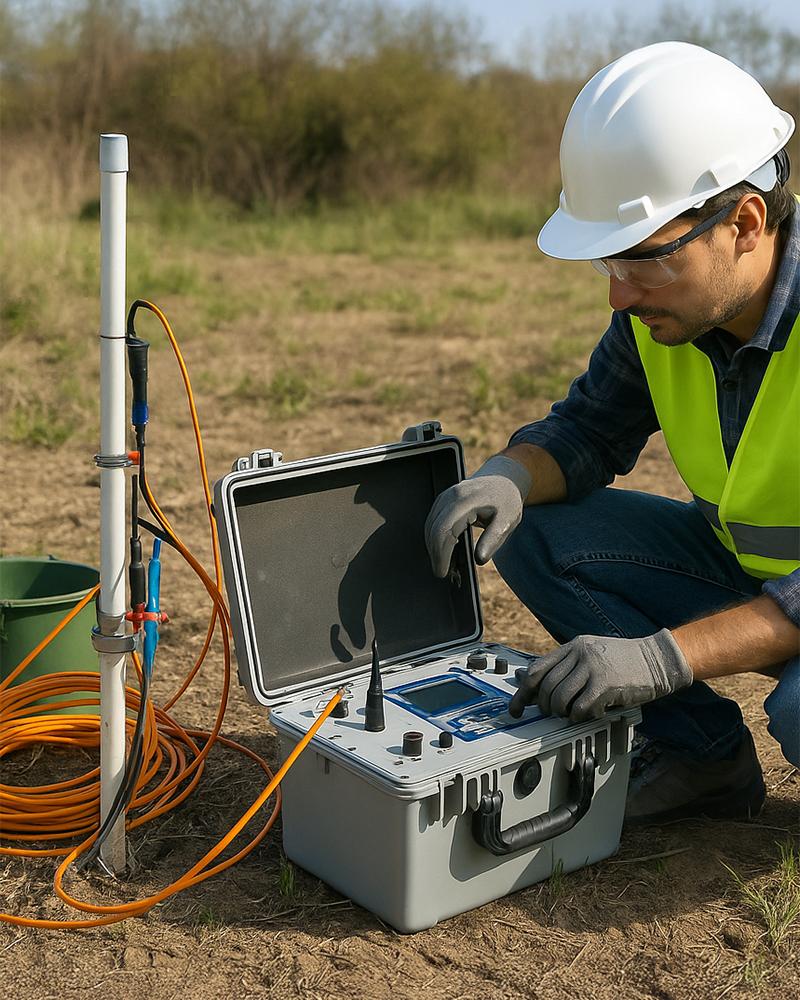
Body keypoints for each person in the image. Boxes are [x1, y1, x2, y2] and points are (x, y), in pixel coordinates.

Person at [424, 41, 799, 826]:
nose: (619, 295)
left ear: (746, 222)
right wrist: (509, 476)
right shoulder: (665, 316)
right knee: (537, 529)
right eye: (608, 264)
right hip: (749, 577)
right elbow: (588, 431)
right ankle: (704, 759)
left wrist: (662, 658)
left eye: (643, 260)